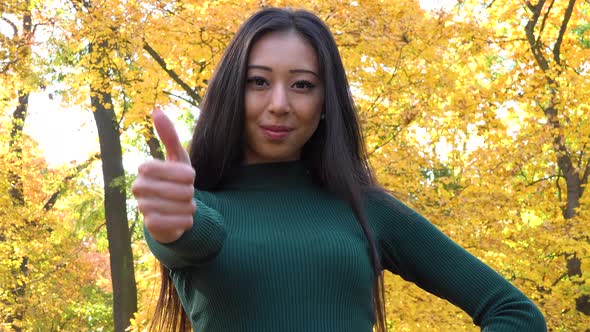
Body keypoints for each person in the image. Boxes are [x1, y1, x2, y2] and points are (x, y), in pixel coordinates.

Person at [131, 7, 546, 332]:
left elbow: (515, 313)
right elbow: (197, 236)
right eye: (258, 81)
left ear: (326, 103)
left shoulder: (366, 209)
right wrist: (175, 222)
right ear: (230, 93)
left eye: (302, 85)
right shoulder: (187, 208)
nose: (279, 103)